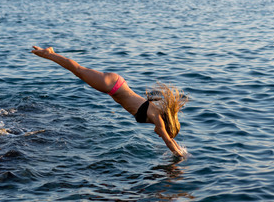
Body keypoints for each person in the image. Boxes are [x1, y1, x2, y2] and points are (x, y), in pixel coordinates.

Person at [31, 46, 188, 157]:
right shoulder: (158, 120)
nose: (160, 136)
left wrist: (178, 147)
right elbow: (168, 141)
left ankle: (51, 53)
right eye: (163, 134)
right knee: (78, 70)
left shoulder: (158, 116)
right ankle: (49, 54)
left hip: (116, 84)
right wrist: (181, 156)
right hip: (113, 86)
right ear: (166, 128)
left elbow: (170, 139)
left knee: (79, 71)